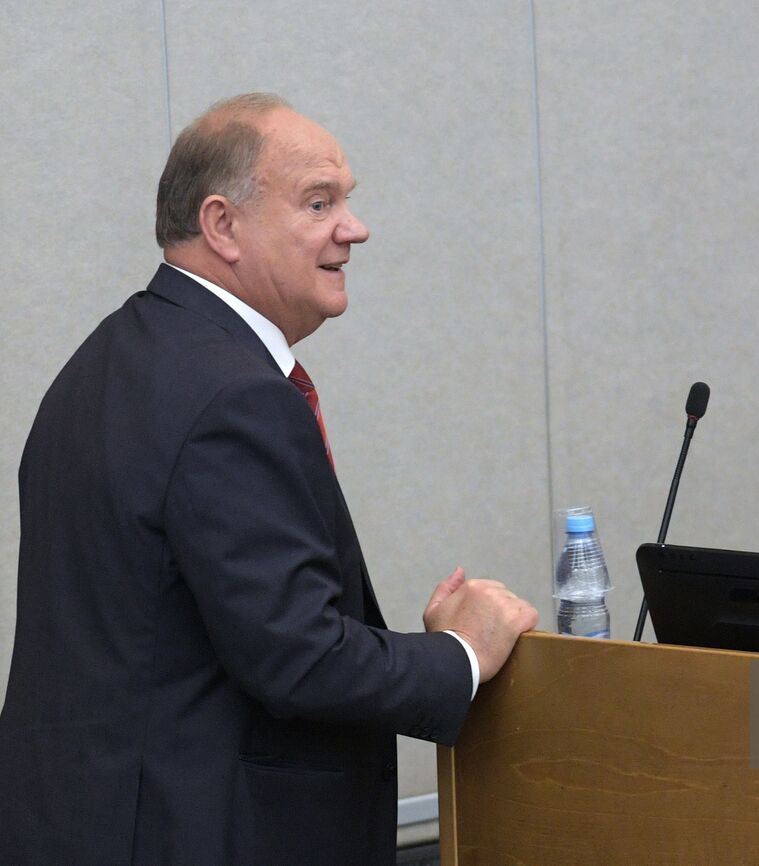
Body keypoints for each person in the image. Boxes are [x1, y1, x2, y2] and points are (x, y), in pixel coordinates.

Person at [0, 93, 538, 865]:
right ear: (222, 226)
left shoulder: (101, 363)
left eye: (348, 200)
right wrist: (461, 652)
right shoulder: (236, 394)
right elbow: (298, 658)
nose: (354, 228)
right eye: (319, 202)